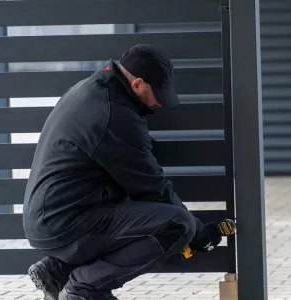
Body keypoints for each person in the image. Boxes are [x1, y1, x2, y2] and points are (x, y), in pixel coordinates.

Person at [22, 44, 222, 300]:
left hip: (55, 216)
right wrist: (199, 233)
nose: (159, 102)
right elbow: (152, 189)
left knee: (132, 207)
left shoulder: (89, 90)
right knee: (177, 225)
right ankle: (84, 288)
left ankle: (58, 270)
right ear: (137, 84)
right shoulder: (113, 113)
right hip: (67, 222)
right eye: (157, 94)